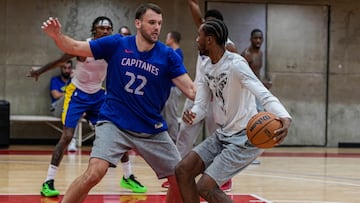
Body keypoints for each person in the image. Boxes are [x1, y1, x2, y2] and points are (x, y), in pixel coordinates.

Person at [41, 3, 196, 203]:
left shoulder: (168, 56)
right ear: (138, 23)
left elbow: (191, 90)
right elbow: (74, 47)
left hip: (151, 128)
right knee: (95, 172)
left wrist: (210, 101)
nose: (157, 27)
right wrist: (56, 36)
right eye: (151, 22)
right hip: (114, 122)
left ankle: (131, 177)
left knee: (180, 179)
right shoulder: (117, 44)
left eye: (159, 23)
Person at [175, 19, 292, 203]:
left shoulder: (236, 64)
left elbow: (262, 93)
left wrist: (284, 116)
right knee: (183, 170)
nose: (197, 39)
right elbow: (201, 105)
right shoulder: (206, 67)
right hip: (223, 134)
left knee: (205, 187)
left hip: (245, 137)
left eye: (200, 35)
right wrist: (193, 115)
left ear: (210, 40)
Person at [30, 16, 147, 197]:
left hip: (98, 95)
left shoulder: (111, 50)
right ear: (94, 30)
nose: (106, 31)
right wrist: (39, 71)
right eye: (102, 28)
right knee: (67, 136)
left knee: (117, 133)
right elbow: (59, 60)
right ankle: (48, 181)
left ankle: (128, 176)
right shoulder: (84, 48)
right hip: (77, 93)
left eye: (109, 28)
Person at [175, 0, 238, 191]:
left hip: (218, 98)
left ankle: (221, 176)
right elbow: (196, 14)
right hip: (198, 92)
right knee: (185, 133)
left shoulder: (229, 47)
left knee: (217, 137)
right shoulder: (203, 40)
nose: (203, 26)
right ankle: (176, 172)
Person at [161, 30, 184, 189]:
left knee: (172, 119)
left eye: (167, 36)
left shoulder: (177, 53)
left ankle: (176, 151)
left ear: (172, 39)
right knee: (167, 119)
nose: (165, 38)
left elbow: (172, 72)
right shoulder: (173, 52)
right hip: (167, 89)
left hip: (173, 89)